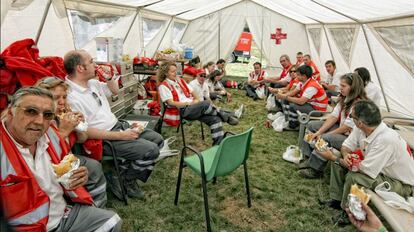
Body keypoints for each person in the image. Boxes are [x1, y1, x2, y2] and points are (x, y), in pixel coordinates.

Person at [1, 87, 122, 232]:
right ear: (10, 113)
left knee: (111, 221)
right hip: (26, 228)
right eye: (31, 111)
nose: (40, 121)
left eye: (47, 115)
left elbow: (64, 170)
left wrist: (77, 177)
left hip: (64, 214)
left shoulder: (51, 134)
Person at [64, 50, 164, 200]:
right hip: (103, 139)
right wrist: (120, 136)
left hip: (117, 126)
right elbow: (85, 132)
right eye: (91, 61)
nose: (95, 64)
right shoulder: (71, 96)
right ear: (80, 68)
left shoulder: (92, 83)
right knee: (151, 151)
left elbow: (115, 91)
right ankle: (126, 181)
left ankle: (119, 174)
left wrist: (110, 77)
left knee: (157, 139)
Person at [322, 100, 414, 226]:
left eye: (351, 117)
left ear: (359, 122)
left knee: (354, 177)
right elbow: (346, 146)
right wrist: (346, 155)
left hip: (401, 183)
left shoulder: (385, 140)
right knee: (339, 161)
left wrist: (334, 158)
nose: (350, 118)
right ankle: (336, 199)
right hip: (379, 170)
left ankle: (348, 212)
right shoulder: (363, 128)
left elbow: (364, 171)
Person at [35, 76, 108, 207]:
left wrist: (79, 126)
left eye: (64, 97)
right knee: (90, 169)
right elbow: (45, 154)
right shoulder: (38, 121)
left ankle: (97, 205)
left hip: (67, 158)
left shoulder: (61, 116)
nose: (62, 102)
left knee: (94, 167)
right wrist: (64, 131)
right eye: (56, 98)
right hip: (48, 167)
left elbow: (82, 139)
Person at [298, 73, 368, 179]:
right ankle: (308, 157)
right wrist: (318, 132)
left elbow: (347, 127)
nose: (340, 88)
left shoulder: (358, 104)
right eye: (341, 85)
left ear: (353, 87)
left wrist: (324, 135)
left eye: (343, 86)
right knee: (311, 125)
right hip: (343, 131)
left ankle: (315, 169)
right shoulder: (345, 98)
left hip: (351, 138)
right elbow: (333, 117)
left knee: (326, 138)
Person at [158, 61, 239, 145]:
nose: (176, 73)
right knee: (206, 103)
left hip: (193, 108)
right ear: (166, 73)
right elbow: (171, 103)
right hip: (182, 111)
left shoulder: (180, 81)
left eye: (176, 70)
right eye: (173, 71)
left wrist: (196, 100)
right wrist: (188, 103)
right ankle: (226, 116)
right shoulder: (163, 86)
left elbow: (193, 92)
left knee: (216, 119)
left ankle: (218, 145)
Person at [275, 65, 328, 130]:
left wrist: (284, 96)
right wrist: (283, 95)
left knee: (293, 105)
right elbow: (293, 92)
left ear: (304, 76)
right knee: (286, 100)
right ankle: (288, 119)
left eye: (298, 75)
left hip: (317, 110)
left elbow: (301, 101)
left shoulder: (312, 86)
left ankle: (293, 126)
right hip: (311, 105)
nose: (296, 76)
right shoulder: (303, 82)